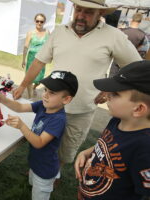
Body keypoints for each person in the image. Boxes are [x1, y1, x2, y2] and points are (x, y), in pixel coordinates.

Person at [13, 0, 142, 167]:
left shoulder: (114, 36)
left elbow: (135, 67)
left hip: (82, 110)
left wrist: (110, 88)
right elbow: (39, 61)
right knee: (42, 142)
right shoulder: (59, 32)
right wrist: (23, 85)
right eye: (78, 9)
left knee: (67, 149)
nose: (81, 15)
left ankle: (53, 178)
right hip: (51, 107)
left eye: (88, 12)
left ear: (100, 13)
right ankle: (39, 172)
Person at [75, 60, 150, 199]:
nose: (107, 94)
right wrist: (87, 152)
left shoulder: (144, 148)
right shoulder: (117, 120)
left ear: (138, 109)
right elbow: (108, 146)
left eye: (115, 94)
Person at [0, 70, 78, 200]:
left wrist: (21, 126)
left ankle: (53, 177)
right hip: (36, 162)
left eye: (52, 92)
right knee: (32, 181)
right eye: (45, 89)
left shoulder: (58, 119)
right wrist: (2, 99)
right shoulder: (43, 105)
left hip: (45, 170)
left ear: (66, 99)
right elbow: (19, 107)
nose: (45, 95)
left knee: (39, 194)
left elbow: (39, 142)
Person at [110, 13, 147, 77]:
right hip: (130, 59)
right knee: (125, 77)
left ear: (132, 19)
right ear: (140, 21)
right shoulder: (142, 34)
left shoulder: (122, 31)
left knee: (113, 76)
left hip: (118, 56)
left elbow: (114, 43)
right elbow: (141, 47)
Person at [22, 13, 50, 98]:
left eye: (41, 21)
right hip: (31, 59)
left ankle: (34, 88)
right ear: (35, 21)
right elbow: (26, 47)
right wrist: (23, 60)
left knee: (39, 80)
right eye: (37, 21)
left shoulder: (47, 32)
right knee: (29, 79)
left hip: (42, 60)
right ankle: (30, 97)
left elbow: (49, 46)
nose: (39, 23)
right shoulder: (30, 33)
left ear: (44, 22)